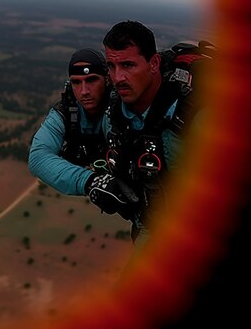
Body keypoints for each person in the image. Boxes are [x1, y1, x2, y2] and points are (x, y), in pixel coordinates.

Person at [85, 20, 204, 254]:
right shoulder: (114, 115)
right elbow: (40, 156)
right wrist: (91, 182)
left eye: (128, 65)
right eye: (111, 66)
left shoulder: (192, 116)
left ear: (154, 63)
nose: (117, 78)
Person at [28, 48, 112, 196]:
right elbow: (38, 158)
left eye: (91, 80)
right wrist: (90, 181)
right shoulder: (65, 112)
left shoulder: (121, 107)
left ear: (107, 79)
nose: (84, 91)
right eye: (76, 82)